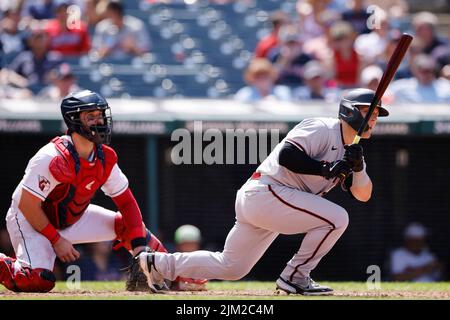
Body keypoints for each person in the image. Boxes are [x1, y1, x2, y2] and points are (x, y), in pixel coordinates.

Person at [136, 88, 388, 295]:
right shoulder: (323, 127)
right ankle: (295, 277)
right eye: (369, 112)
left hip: (272, 202)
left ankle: (157, 264)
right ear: (350, 111)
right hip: (267, 192)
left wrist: (357, 169)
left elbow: (363, 194)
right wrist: (326, 169)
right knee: (337, 218)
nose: (373, 120)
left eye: (376, 115)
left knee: (232, 267)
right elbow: (287, 155)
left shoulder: (354, 152)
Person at [0, 89, 197, 293]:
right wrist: (56, 241)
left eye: (100, 115)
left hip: (70, 218)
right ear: (74, 120)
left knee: (127, 225)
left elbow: (127, 203)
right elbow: (27, 205)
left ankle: (175, 276)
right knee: (38, 281)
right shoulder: (51, 157)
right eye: (91, 116)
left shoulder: (105, 157)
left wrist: (140, 249)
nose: (99, 121)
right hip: (30, 220)